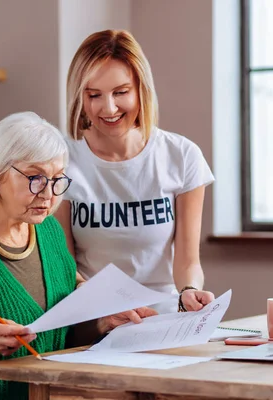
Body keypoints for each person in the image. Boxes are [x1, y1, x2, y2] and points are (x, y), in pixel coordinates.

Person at [0, 111, 157, 400]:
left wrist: (102, 322)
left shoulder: (48, 232)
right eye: (35, 177)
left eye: (57, 179)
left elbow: (60, 332)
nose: (48, 194)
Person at [55, 29, 216, 315]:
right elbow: (64, 266)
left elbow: (188, 261)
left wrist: (189, 291)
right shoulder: (61, 161)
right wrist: (99, 310)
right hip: (93, 317)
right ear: (80, 96)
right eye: (94, 95)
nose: (109, 107)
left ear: (141, 89)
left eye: (121, 92)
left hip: (162, 318)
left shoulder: (182, 156)